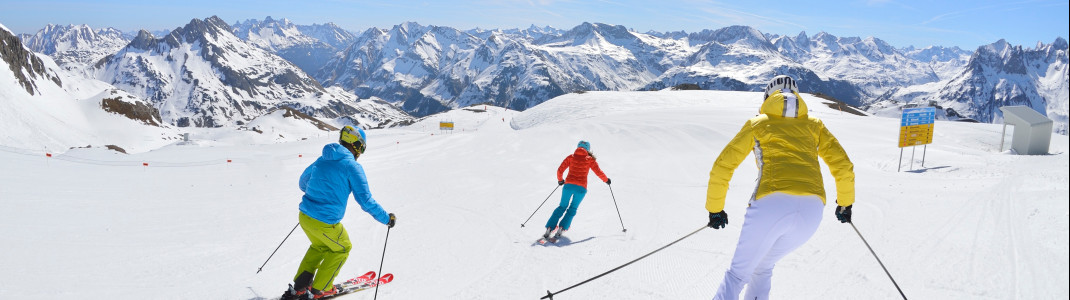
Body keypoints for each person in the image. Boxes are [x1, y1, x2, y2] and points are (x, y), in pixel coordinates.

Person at [705, 75, 855, 300]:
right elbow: (843, 166)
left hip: (770, 204)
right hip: (811, 212)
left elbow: (723, 166)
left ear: (768, 96)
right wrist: (845, 204)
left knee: (737, 275)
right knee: (763, 266)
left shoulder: (758, 123)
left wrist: (715, 208)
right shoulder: (815, 126)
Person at [281, 125, 397, 300]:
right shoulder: (351, 166)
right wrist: (386, 218)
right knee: (342, 248)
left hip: (305, 217)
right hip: (325, 221)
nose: (361, 152)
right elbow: (365, 201)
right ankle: (320, 289)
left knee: (319, 246)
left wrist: (318, 195)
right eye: (362, 147)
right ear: (356, 144)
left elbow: (303, 183)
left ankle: (299, 288)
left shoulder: (322, 159)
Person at [543, 140, 611, 240]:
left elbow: (560, 170)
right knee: (573, 208)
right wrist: (606, 180)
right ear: (588, 149)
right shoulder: (590, 159)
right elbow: (598, 172)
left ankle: (550, 227)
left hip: (568, 186)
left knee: (562, 206)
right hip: (581, 188)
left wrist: (560, 180)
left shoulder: (571, 157)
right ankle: (562, 227)